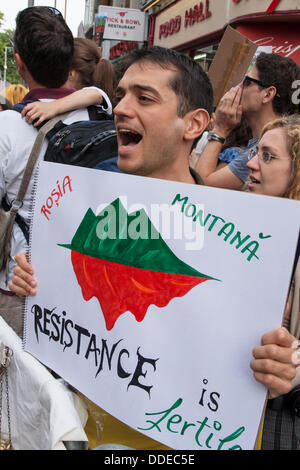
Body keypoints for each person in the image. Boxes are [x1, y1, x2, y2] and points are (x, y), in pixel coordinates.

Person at [9, 46, 299, 450]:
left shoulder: (244, 242)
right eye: (122, 94)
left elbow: (252, 362)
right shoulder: (88, 209)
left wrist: (277, 370)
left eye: (144, 98)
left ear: (194, 123)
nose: (121, 108)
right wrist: (38, 278)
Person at [0, 6, 108, 338]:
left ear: (19, 64)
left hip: (18, 282)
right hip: (85, 289)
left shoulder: (7, 126)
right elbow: (101, 93)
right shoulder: (99, 115)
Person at [245, 114, 300, 449]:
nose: (251, 164)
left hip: (284, 420)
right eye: (255, 152)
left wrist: (292, 367)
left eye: (268, 156)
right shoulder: (236, 228)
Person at [195, 52, 300, 190]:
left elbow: (200, 186)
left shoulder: (266, 148)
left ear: (267, 94)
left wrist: (220, 129)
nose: (237, 88)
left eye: (246, 82)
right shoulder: (277, 140)